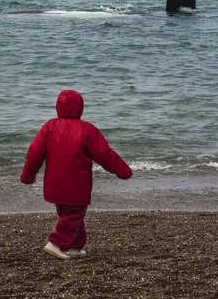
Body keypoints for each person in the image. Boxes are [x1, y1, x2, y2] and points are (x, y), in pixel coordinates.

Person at [20, 89, 133, 260]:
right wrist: (124, 171)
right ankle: (56, 243)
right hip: (76, 185)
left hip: (54, 184)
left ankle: (73, 246)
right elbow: (105, 154)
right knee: (73, 215)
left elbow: (34, 153)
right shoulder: (86, 130)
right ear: (80, 107)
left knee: (69, 216)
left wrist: (28, 176)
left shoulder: (49, 127)